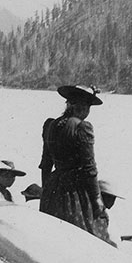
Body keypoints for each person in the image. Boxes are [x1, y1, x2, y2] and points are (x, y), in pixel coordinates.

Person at [38, 84, 109, 242]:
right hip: (74, 191)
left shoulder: (50, 125)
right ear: (81, 107)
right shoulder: (83, 127)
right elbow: (89, 169)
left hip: (53, 190)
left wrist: (46, 192)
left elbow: (46, 164)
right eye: (86, 106)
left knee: (54, 235)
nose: (87, 111)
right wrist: (97, 200)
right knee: (84, 235)